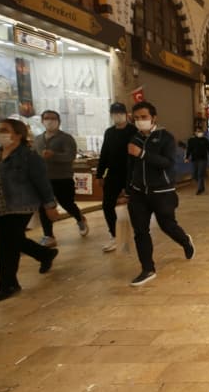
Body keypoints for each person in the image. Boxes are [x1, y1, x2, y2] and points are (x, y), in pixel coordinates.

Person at [0, 118, 60, 302]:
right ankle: (44, 254)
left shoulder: (28, 157)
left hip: (20, 206)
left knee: (6, 245)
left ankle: (8, 284)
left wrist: (49, 206)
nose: (0, 133)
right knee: (14, 240)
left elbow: (42, 183)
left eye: (5, 130)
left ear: (18, 134)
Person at [126, 101, 195, 286]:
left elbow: (167, 162)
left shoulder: (165, 137)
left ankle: (185, 241)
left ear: (153, 118)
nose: (140, 121)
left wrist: (142, 154)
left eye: (144, 117)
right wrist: (128, 188)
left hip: (162, 192)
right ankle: (147, 269)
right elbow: (130, 166)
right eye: (137, 118)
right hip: (138, 193)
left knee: (167, 225)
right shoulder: (135, 138)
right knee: (140, 231)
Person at [33, 110, 88, 248]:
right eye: (46, 118)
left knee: (67, 203)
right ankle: (48, 235)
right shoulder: (38, 139)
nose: (49, 121)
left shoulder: (66, 138)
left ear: (59, 121)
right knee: (44, 207)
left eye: (53, 118)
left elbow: (70, 156)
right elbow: (33, 157)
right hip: (43, 179)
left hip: (62, 177)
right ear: (42, 121)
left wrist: (54, 155)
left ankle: (80, 218)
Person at [96, 103, 138, 253]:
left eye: (120, 112)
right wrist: (100, 174)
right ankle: (114, 236)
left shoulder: (134, 130)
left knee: (134, 204)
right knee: (107, 205)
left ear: (126, 114)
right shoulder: (109, 132)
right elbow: (104, 153)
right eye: (114, 113)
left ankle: (137, 232)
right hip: (113, 174)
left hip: (130, 173)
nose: (117, 115)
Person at [185, 126, 209, 195]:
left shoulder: (205, 140)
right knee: (194, 175)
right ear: (195, 132)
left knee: (200, 174)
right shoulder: (191, 140)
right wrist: (187, 157)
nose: (200, 133)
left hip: (203, 159)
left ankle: (199, 189)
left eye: (201, 131)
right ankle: (202, 187)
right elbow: (189, 150)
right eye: (198, 131)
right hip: (194, 159)